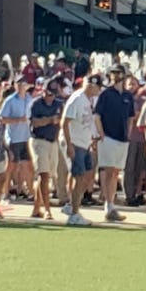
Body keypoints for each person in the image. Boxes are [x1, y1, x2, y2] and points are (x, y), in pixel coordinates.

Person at [60, 74, 102, 227]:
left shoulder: (87, 100)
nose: (99, 91)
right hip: (75, 143)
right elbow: (65, 122)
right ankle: (74, 214)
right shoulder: (77, 99)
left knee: (86, 176)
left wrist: (91, 139)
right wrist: (69, 144)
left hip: (84, 143)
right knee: (79, 176)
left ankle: (72, 205)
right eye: (98, 87)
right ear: (92, 85)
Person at [95, 65, 134, 221]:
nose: (114, 75)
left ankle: (111, 204)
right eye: (112, 73)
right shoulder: (106, 94)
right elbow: (97, 115)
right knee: (109, 171)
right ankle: (108, 204)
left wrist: (128, 133)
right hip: (109, 137)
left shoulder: (127, 95)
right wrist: (102, 134)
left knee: (116, 172)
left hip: (122, 138)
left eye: (117, 73)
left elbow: (131, 116)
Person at [28, 79, 63, 219]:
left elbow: (63, 120)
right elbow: (34, 123)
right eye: (49, 93)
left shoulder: (59, 104)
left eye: (53, 94)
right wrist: (50, 120)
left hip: (53, 141)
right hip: (39, 141)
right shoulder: (36, 104)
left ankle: (36, 208)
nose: (51, 96)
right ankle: (47, 209)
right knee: (44, 175)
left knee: (47, 175)